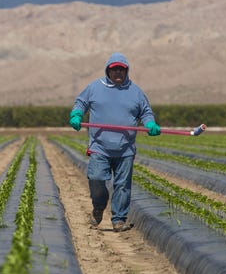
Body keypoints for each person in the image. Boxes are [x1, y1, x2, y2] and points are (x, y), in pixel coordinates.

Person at [69, 52, 160, 232]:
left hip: (125, 149)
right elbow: (80, 102)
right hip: (99, 146)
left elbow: (146, 112)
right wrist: (77, 114)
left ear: (126, 71)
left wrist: (150, 124)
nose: (118, 72)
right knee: (95, 178)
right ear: (108, 71)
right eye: (114, 69)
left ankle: (119, 220)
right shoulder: (95, 87)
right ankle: (99, 207)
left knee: (122, 186)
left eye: (121, 69)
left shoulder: (135, 92)